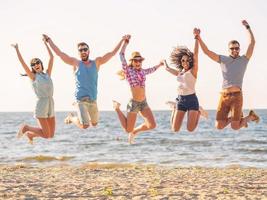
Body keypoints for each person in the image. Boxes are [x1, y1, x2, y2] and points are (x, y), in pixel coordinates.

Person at [42, 34, 125, 129]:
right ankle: (72, 118)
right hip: (81, 99)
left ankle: (82, 116)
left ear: (89, 51)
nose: (83, 52)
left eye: (85, 49)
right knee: (85, 125)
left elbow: (112, 53)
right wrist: (49, 40)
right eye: (80, 50)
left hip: (93, 100)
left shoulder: (97, 62)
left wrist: (122, 41)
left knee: (94, 124)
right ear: (78, 53)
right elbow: (60, 53)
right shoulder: (76, 63)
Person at [195, 20, 260, 130]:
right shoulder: (223, 59)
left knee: (235, 127)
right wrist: (198, 37)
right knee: (218, 126)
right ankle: (239, 116)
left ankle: (250, 117)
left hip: (237, 96)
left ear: (239, 49)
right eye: (232, 48)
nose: (235, 50)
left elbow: (252, 43)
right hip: (224, 96)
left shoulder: (244, 59)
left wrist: (248, 27)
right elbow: (207, 51)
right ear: (228, 49)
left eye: (237, 48)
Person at [113, 35, 164, 144]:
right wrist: (125, 43)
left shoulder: (142, 71)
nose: (138, 62)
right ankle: (117, 108)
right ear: (132, 62)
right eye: (135, 60)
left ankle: (135, 132)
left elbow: (151, 70)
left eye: (139, 60)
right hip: (134, 103)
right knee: (128, 129)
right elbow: (121, 55)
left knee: (152, 125)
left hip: (143, 102)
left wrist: (159, 65)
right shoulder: (128, 70)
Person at [12, 37, 55, 144]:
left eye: (37, 63)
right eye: (33, 65)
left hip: (51, 103)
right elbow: (22, 63)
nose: (36, 65)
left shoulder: (47, 74)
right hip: (41, 104)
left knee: (50, 135)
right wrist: (17, 49)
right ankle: (26, 128)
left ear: (41, 64)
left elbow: (52, 57)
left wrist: (46, 44)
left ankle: (30, 134)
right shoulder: (33, 77)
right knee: (45, 134)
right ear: (32, 68)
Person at [165, 28, 208, 133]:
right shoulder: (181, 72)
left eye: (187, 60)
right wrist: (165, 64)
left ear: (190, 61)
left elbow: (196, 54)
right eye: (182, 60)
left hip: (192, 100)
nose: (184, 62)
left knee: (190, 129)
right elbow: (171, 70)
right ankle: (175, 108)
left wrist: (196, 38)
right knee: (174, 129)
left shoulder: (193, 71)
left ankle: (198, 111)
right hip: (180, 100)